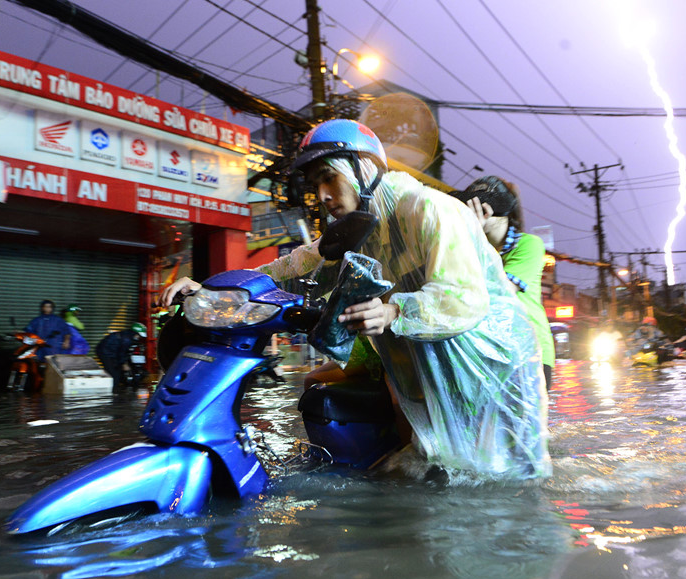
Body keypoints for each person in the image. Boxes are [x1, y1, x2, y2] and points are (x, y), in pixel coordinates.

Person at [160, 119, 549, 480]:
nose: (324, 196)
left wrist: (396, 310)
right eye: (316, 186)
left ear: (364, 167)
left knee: (505, 480)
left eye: (330, 178)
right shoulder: (357, 229)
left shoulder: (431, 209)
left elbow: (464, 298)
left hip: (490, 370)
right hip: (429, 376)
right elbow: (294, 266)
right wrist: (214, 289)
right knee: (432, 478)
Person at [450, 176, 556, 388]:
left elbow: (498, 291)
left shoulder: (529, 245)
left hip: (530, 352)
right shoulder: (469, 247)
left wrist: (474, 237)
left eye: (474, 207)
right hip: (489, 350)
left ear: (489, 212)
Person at [96, 323, 146, 387]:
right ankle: (113, 390)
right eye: (139, 335)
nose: (139, 337)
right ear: (135, 333)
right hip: (105, 354)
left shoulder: (127, 335)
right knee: (114, 374)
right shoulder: (127, 339)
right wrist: (124, 364)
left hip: (109, 352)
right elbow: (122, 352)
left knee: (117, 371)